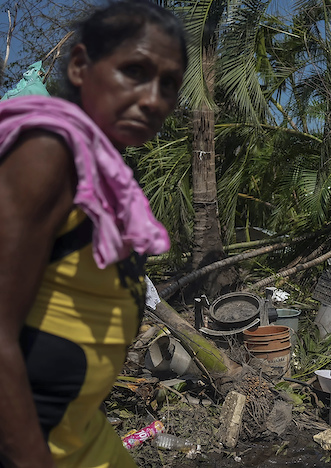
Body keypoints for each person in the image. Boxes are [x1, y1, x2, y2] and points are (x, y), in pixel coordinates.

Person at [0, 1, 187, 466]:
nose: (153, 98)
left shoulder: (104, 181)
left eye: (169, 84)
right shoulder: (47, 153)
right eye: (135, 71)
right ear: (81, 66)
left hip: (81, 434)